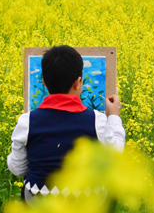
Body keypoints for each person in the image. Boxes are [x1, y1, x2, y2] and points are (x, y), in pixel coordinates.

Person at [7, 45, 125, 201]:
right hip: (83, 205)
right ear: (78, 82)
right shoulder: (97, 120)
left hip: (38, 208)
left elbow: (17, 168)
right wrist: (114, 117)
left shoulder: (26, 121)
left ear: (44, 82)